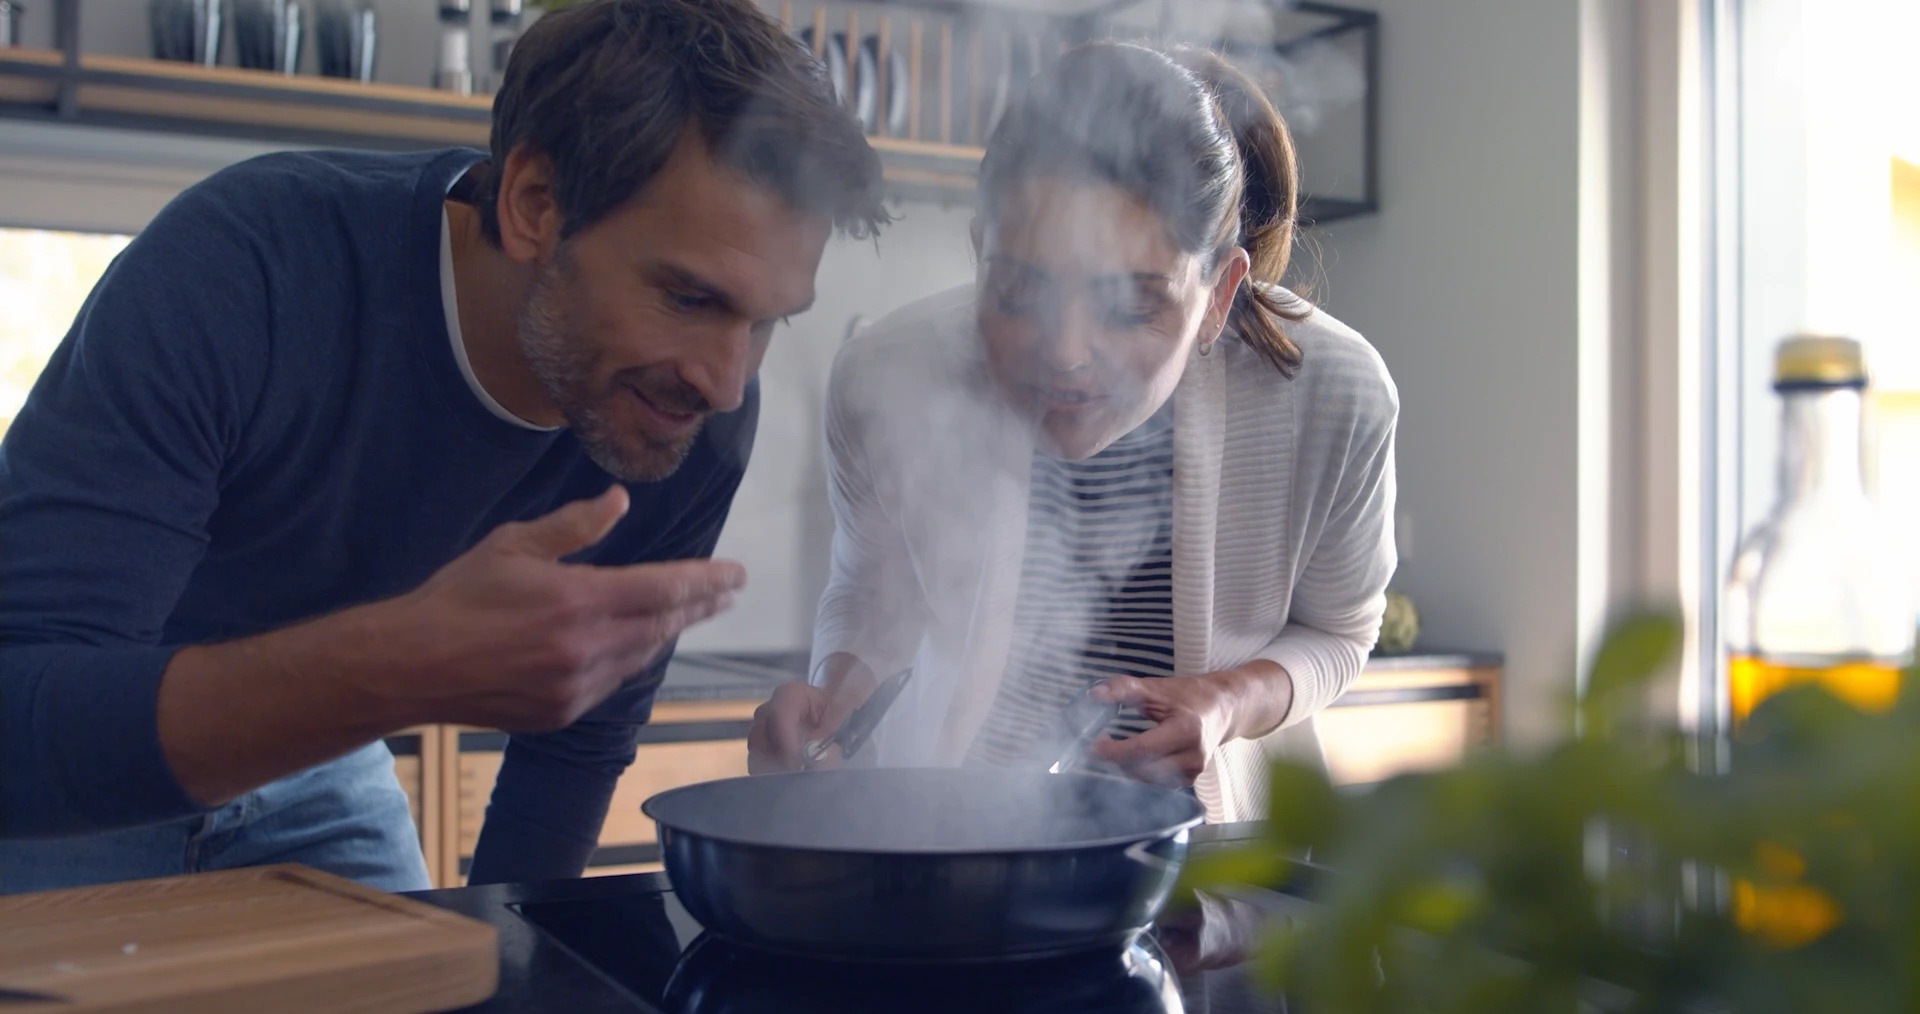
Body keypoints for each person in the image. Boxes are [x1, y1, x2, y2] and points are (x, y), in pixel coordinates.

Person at [0, 0, 886, 893]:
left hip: (323, 766)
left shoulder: (693, 408)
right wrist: (395, 668)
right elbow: (21, 715)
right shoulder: (248, 266)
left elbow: (579, 748)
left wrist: (511, 964)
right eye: (688, 298)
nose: (728, 381)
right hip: (84, 770)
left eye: (765, 321)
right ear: (535, 204)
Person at [748, 42, 1397, 823]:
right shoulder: (886, 374)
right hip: (957, 821)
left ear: (1220, 293)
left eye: (1130, 304)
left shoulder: (1331, 393)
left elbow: (1340, 631)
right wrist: (837, 700)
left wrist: (1225, 703)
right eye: (1019, 289)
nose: (1064, 352)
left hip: (1210, 851)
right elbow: (870, 590)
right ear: (980, 251)